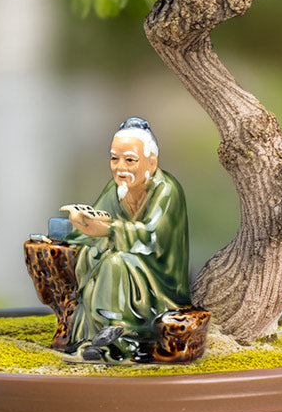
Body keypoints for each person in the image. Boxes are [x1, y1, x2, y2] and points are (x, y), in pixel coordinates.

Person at [61, 117, 190, 362]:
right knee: (92, 256)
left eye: (130, 160)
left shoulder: (167, 190)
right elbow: (98, 220)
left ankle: (122, 340)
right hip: (124, 263)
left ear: (151, 162)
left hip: (158, 275)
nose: (120, 167)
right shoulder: (117, 189)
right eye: (114, 159)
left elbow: (151, 236)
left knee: (114, 263)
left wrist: (109, 231)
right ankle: (95, 338)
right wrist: (80, 225)